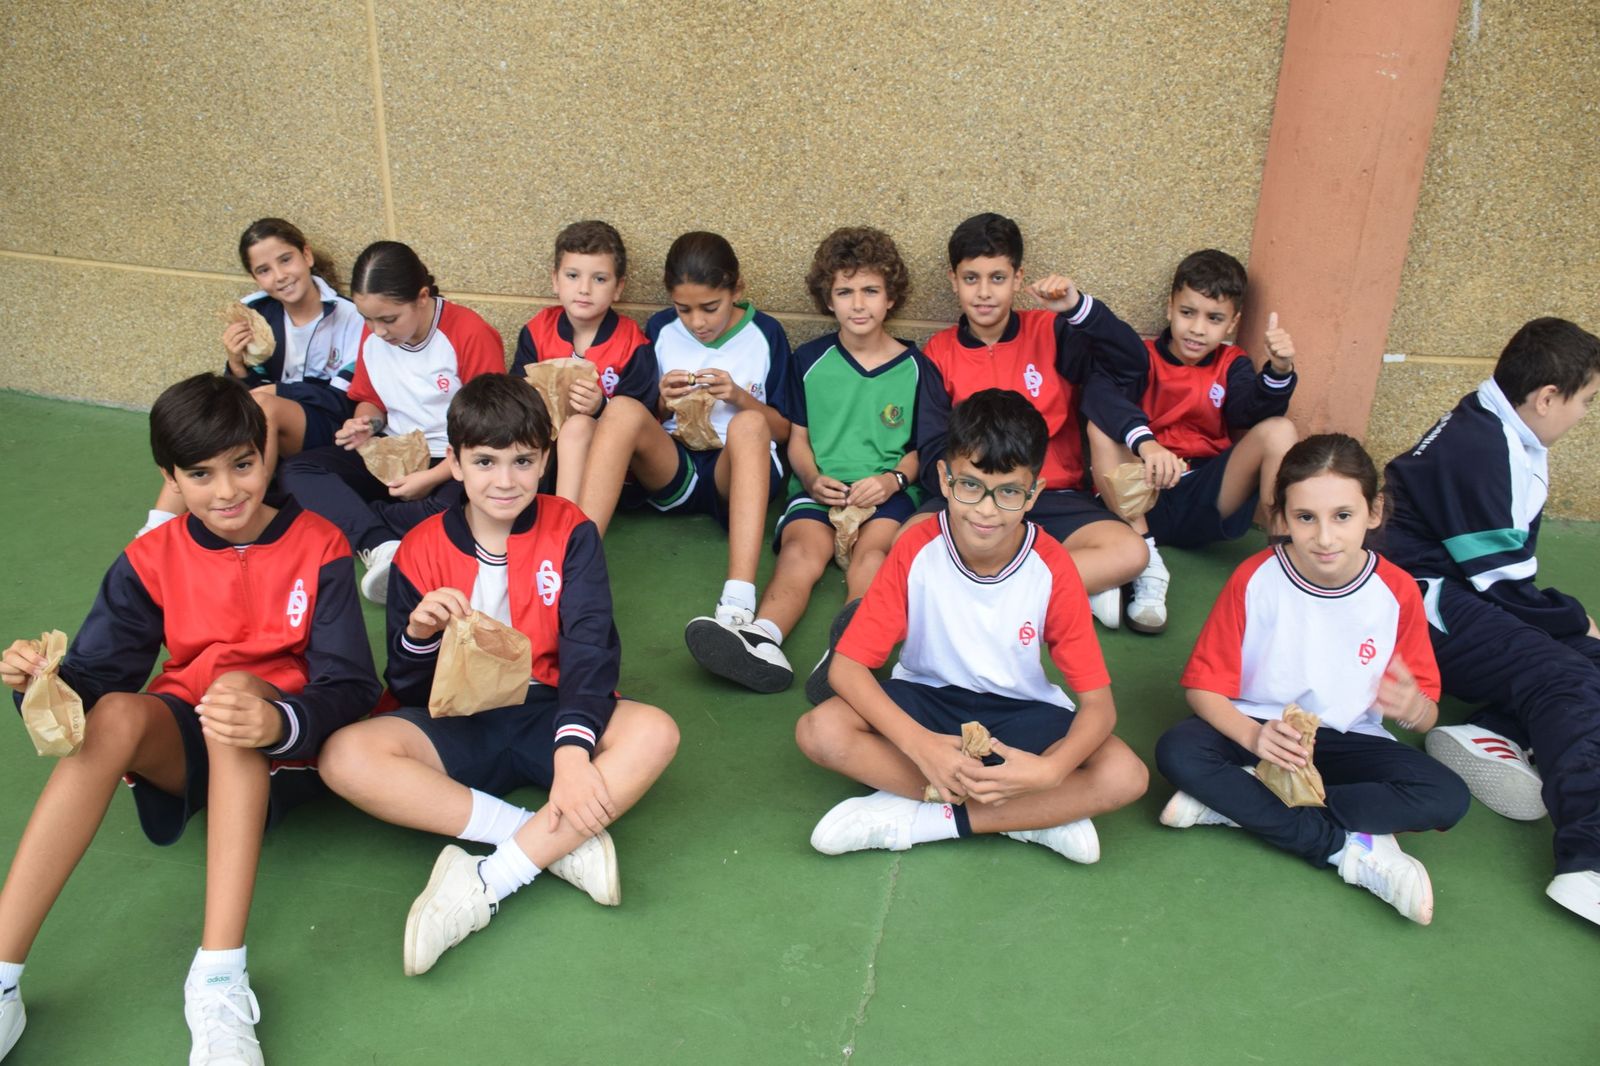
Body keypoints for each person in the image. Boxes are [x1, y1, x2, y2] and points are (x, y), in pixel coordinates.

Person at [0, 374, 378, 1064]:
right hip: (188, 746)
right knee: (116, 715)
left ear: (266, 455)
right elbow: (95, 681)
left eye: (242, 464)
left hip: (287, 747)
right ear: (170, 478)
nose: (227, 490)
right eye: (200, 474)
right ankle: (1, 980)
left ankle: (219, 976)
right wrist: (39, 685)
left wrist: (280, 721)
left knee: (232, 693)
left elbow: (351, 685)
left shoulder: (319, 543)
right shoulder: (150, 558)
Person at [316, 374, 679, 976]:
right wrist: (419, 635)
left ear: (545, 461)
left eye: (523, 461)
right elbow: (407, 688)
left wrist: (572, 752)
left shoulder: (571, 530)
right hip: (460, 719)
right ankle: (547, 840)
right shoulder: (419, 548)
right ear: (455, 463)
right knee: (344, 757)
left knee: (656, 732)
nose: (505, 480)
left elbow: (590, 648)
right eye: (485, 461)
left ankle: (489, 879)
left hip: (550, 713)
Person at [795, 389, 1147, 862]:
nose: (986, 510)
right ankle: (1030, 816)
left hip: (1018, 711)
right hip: (928, 699)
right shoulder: (915, 548)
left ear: (1034, 494)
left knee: (1125, 774)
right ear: (944, 479)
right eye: (971, 485)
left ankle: (927, 817)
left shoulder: (1053, 566)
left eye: (1009, 492)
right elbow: (846, 669)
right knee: (820, 730)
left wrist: (1050, 772)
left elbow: (1099, 707)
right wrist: (921, 747)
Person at [1154, 434, 1469, 925]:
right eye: (1305, 517)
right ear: (1281, 517)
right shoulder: (1255, 578)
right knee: (1179, 749)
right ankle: (1343, 848)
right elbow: (1203, 688)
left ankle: (1241, 802)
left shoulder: (1397, 592)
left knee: (1447, 797)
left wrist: (1415, 709)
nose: (1324, 537)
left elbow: (1426, 712)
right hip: (1261, 732)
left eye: (1342, 516)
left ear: (1373, 511)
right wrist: (1253, 736)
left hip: (1347, 739)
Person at [1381, 317, 1600, 926]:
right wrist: (1576, 620)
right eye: (1587, 400)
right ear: (1547, 397)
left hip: (1453, 592)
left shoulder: (1497, 424)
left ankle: (1494, 733)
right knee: (1569, 677)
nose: (1585, 414)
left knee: (1585, 662)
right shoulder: (1483, 449)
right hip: (1417, 604)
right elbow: (1504, 586)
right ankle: (1590, 865)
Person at [689, 227, 925, 698]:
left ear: (891, 297)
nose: (858, 304)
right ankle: (761, 639)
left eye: (870, 290)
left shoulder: (918, 366)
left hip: (886, 496)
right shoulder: (810, 359)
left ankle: (853, 649)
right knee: (800, 554)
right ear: (828, 299)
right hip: (820, 492)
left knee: (873, 555)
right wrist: (813, 478)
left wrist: (893, 480)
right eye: (845, 292)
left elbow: (923, 448)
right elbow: (797, 437)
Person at [913, 212, 1148, 628]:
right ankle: (1059, 588)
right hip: (972, 499)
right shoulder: (939, 351)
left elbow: (1131, 364)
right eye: (971, 278)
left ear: (1018, 278)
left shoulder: (1052, 331)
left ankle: (987, 593)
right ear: (953, 280)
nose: (984, 293)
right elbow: (932, 447)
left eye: (997, 278)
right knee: (906, 546)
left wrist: (1077, 309)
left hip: (1051, 495)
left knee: (1130, 552)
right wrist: (972, 492)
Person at [575, 232, 794, 668]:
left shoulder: (766, 333)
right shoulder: (660, 329)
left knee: (750, 424)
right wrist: (661, 399)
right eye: (684, 309)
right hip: (676, 468)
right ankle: (572, 563)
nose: (697, 322)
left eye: (710, 307)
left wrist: (739, 397)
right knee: (622, 408)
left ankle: (737, 603)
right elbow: (645, 419)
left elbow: (784, 430)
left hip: (737, 477)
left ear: (737, 288)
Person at [1083, 249, 1299, 633]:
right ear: (1170, 308)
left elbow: (1250, 413)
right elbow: (1102, 399)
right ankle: (1147, 563)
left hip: (1202, 495)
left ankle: (1288, 568)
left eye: (1214, 318)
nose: (1198, 329)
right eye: (1188, 312)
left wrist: (1279, 370)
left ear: (1232, 323)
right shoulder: (1140, 357)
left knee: (1280, 430)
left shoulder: (1232, 363)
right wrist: (1148, 445)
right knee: (1100, 424)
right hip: (1140, 499)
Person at [277, 240, 506, 604]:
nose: (378, 330)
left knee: (462, 509)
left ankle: (359, 520)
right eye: (367, 318)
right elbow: (370, 399)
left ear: (422, 297)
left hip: (454, 461)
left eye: (388, 319)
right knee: (297, 471)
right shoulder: (373, 333)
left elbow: (490, 428)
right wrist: (363, 425)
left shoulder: (469, 333)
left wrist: (431, 478)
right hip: (392, 452)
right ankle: (382, 545)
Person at [140, 218, 365, 536]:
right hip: (268, 424)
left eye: (285, 260)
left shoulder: (351, 316)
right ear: (255, 277)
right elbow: (241, 397)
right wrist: (237, 366)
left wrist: (279, 391)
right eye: (264, 270)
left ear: (306, 255)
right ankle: (154, 528)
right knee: (204, 413)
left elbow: (343, 401)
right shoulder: (255, 313)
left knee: (265, 404)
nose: (280, 275)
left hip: (334, 428)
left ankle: (250, 508)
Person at [510, 220, 655, 501]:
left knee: (577, 427)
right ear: (555, 280)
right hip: (544, 459)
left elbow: (642, 417)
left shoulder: (633, 343)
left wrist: (601, 407)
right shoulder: (538, 330)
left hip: (610, 470)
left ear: (618, 287)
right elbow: (514, 393)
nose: (584, 289)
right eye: (573, 275)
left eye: (599, 279)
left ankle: (567, 520)